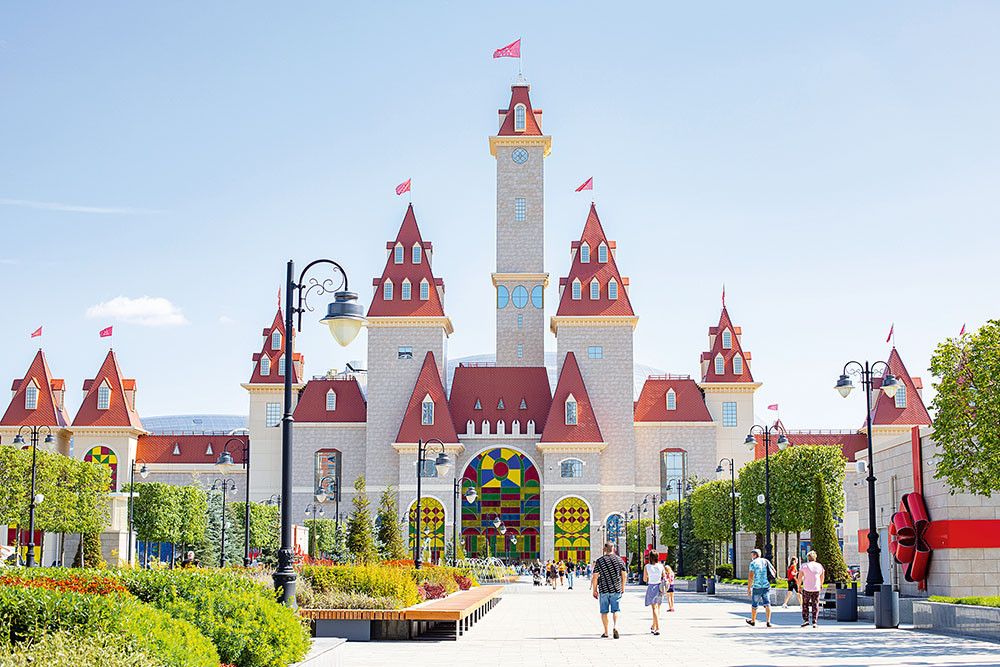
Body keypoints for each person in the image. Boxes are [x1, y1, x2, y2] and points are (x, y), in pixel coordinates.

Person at [591, 542, 628, 639]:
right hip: (616, 589)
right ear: (614, 549)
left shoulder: (600, 561)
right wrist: (623, 587)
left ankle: (606, 632)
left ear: (604, 549)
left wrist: (594, 590)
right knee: (616, 610)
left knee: (604, 611)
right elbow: (624, 575)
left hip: (604, 589)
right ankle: (615, 626)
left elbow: (595, 576)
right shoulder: (619, 560)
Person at [746, 548, 775, 627]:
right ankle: (768, 621)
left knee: (754, 604)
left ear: (755, 555)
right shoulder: (766, 561)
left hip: (757, 586)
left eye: (752, 555)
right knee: (767, 603)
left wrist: (749, 588)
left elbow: (751, 576)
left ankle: (753, 621)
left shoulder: (753, 563)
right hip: (766, 586)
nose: (751, 556)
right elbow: (774, 571)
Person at [797, 550, 826, 628]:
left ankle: (806, 620)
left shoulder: (804, 566)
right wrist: (821, 584)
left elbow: (799, 577)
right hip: (816, 587)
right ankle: (814, 622)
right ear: (815, 558)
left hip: (806, 588)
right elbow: (822, 576)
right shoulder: (819, 566)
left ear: (808, 558)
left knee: (805, 604)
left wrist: (799, 586)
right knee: (815, 604)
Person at [643, 552, 664, 635]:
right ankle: (654, 625)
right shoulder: (661, 566)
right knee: (658, 607)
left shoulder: (647, 567)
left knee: (654, 608)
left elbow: (645, 579)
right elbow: (664, 576)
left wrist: (650, 576)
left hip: (652, 586)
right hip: (660, 587)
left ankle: (657, 628)